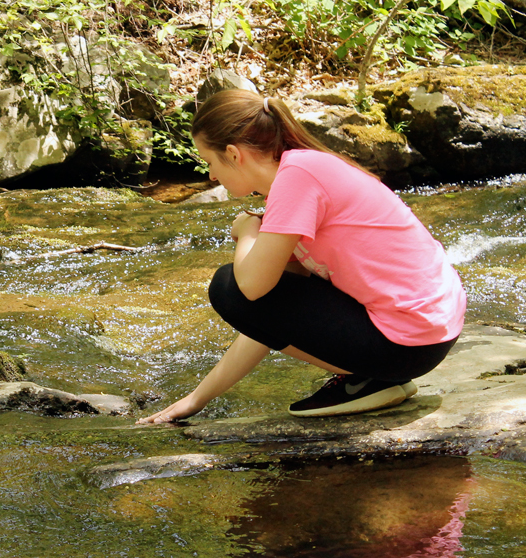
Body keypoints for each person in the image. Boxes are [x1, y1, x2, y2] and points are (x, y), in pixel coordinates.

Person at [137, 89, 465, 423]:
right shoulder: (300, 171)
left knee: (227, 285)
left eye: (210, 162)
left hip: (409, 344)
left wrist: (249, 231)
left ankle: (371, 378)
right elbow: (271, 318)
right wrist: (196, 399)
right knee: (248, 288)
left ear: (234, 155)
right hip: (430, 334)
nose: (210, 176)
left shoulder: (297, 180)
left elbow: (249, 290)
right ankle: (371, 377)